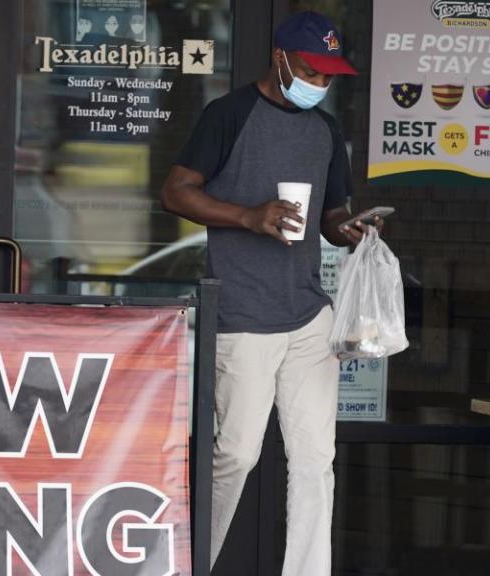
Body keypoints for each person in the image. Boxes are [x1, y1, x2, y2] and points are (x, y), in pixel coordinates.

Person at [160, 11, 381, 575]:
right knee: (235, 455)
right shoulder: (227, 115)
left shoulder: (326, 130)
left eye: (330, 76)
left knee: (315, 461)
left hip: (308, 314)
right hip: (241, 313)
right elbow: (177, 193)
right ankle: (190, 563)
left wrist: (348, 230)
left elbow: (331, 215)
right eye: (312, 71)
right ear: (280, 58)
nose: (321, 84)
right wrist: (246, 216)